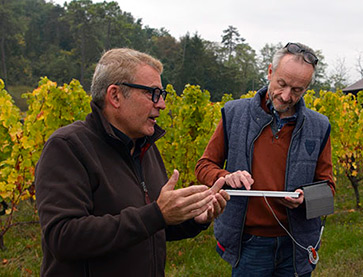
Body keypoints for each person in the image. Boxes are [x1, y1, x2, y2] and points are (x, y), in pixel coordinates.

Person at [35, 48, 229, 277]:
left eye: (162, 93)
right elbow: (63, 237)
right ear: (115, 96)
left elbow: (149, 227)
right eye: (152, 93)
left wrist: (192, 219)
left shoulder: (145, 147)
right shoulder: (68, 147)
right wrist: (157, 214)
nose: (162, 104)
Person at [195, 42, 335, 276]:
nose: (286, 95)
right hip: (248, 244)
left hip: (296, 245)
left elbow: (328, 190)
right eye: (281, 84)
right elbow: (204, 166)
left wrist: (305, 199)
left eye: (297, 90)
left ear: (307, 88)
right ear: (270, 72)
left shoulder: (319, 126)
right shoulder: (234, 114)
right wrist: (227, 177)